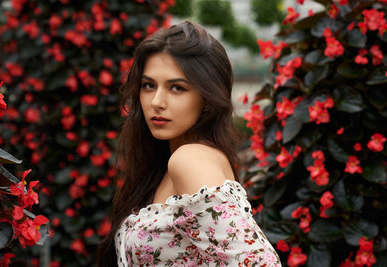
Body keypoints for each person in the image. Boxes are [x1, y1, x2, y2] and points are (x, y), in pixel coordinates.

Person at [97, 20, 280, 266]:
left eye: (177, 88)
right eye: (149, 85)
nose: (156, 102)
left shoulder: (190, 160)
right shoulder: (168, 162)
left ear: (207, 97)